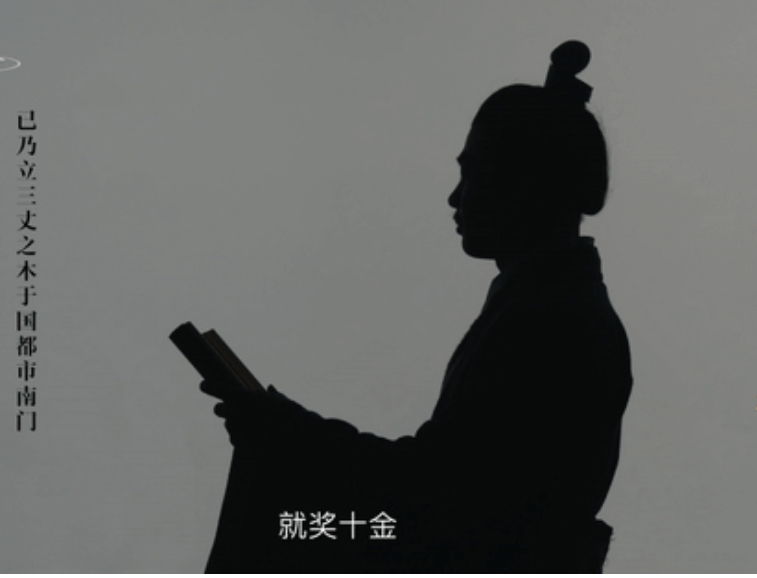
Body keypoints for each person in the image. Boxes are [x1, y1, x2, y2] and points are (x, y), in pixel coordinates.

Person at [199, 40, 632, 573]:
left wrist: (282, 431)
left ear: (524, 181)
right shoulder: (553, 306)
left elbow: (435, 492)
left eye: (472, 172)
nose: (455, 197)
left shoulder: (550, 319)